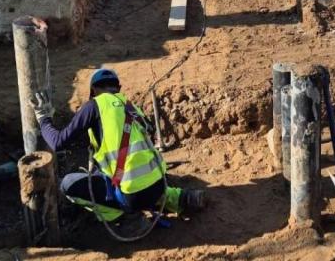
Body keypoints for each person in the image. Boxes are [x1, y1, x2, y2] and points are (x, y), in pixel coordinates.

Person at [31, 68, 205, 229]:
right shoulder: (131, 107)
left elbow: (58, 142)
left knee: (68, 184)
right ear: (118, 88)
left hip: (131, 198)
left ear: (93, 91)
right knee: (137, 181)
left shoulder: (94, 106)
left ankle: (129, 218)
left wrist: (44, 118)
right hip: (159, 185)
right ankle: (180, 198)